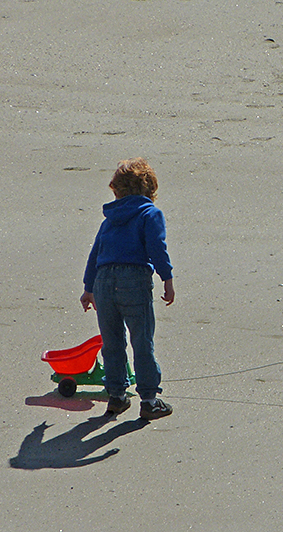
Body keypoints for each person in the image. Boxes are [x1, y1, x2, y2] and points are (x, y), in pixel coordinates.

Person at [80, 158, 177, 419]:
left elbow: (95, 254)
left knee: (112, 342)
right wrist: (166, 277)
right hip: (133, 278)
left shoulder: (109, 220)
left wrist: (88, 288)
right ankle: (148, 399)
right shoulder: (150, 213)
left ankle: (117, 396)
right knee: (142, 339)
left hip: (103, 280)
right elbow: (157, 247)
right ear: (149, 189)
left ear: (117, 190)